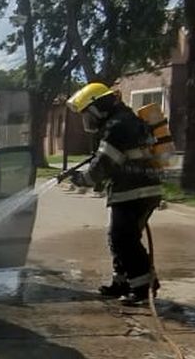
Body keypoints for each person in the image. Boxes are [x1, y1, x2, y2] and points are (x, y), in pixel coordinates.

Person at [64, 82, 163, 306]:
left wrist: (83, 179)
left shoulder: (118, 126)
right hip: (136, 190)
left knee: (123, 240)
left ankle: (143, 288)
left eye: (87, 114)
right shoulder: (122, 121)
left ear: (98, 107)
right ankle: (123, 282)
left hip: (134, 191)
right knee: (119, 238)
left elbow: (104, 164)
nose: (86, 120)